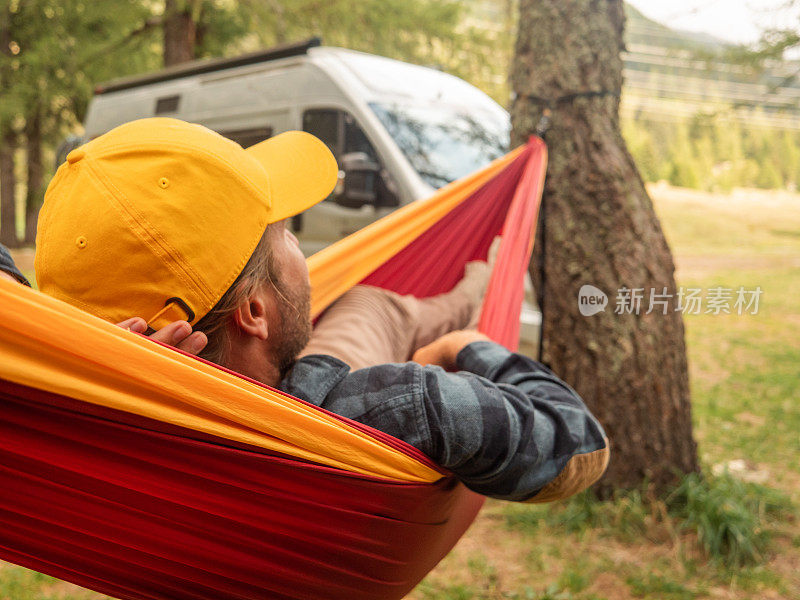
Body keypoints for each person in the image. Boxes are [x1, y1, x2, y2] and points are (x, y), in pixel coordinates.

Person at [15, 117, 609, 502]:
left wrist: (105, 373)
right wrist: (467, 349)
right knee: (379, 306)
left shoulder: (52, 427)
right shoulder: (404, 405)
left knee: (363, 300)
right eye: (288, 234)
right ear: (253, 310)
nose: (305, 248)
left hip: (226, 389)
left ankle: (465, 292)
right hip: (319, 398)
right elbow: (579, 440)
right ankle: (471, 296)